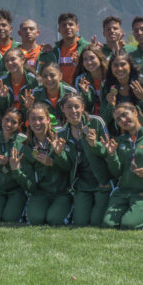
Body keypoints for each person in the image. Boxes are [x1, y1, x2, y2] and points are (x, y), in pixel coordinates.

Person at [55, 93, 113, 227]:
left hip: (101, 182)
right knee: (81, 222)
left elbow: (108, 152)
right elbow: (66, 166)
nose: (73, 111)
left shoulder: (96, 122)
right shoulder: (61, 133)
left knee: (97, 222)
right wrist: (59, 154)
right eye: (69, 107)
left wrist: (95, 145)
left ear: (83, 107)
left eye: (77, 107)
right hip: (81, 185)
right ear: (62, 109)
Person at [11, 103, 70, 226]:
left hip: (63, 192)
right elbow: (31, 186)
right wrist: (16, 171)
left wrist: (54, 161)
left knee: (54, 219)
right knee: (36, 219)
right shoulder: (26, 147)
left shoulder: (61, 137)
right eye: (33, 119)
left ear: (48, 119)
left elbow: (70, 168)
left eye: (41, 118)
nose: (37, 123)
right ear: (28, 122)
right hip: (41, 193)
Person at [99, 52, 143, 132]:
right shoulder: (107, 86)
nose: (119, 68)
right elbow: (103, 120)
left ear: (130, 65)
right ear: (111, 68)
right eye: (115, 65)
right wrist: (110, 105)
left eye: (123, 64)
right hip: (120, 137)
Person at [0, 107, 27, 223]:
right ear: (1, 119)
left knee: (10, 219)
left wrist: (11, 163)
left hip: (16, 188)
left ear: (20, 124)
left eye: (14, 122)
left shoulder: (24, 141)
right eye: (6, 119)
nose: (9, 124)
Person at [38, 12, 90, 84]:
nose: (67, 27)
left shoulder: (86, 48)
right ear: (59, 29)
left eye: (71, 24)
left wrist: (81, 64)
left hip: (81, 89)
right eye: (64, 25)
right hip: (61, 90)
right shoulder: (55, 51)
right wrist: (46, 54)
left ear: (77, 28)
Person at [72, 44, 108, 115]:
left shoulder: (110, 76)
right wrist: (86, 95)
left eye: (92, 58)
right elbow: (85, 108)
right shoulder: (80, 80)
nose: (89, 62)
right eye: (85, 59)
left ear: (100, 58)